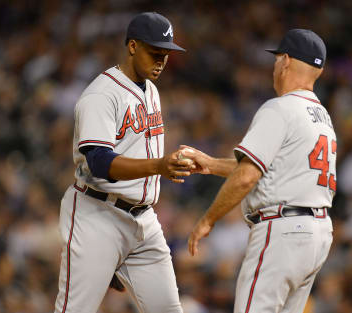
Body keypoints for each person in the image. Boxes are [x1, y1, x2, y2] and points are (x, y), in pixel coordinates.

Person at [185, 29, 336, 313]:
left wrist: (208, 220)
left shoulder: (280, 108)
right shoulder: (322, 116)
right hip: (316, 233)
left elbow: (248, 176)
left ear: (286, 61)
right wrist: (210, 164)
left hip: (282, 231)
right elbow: (266, 167)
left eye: (277, 59)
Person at [54, 12, 191, 313]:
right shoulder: (101, 95)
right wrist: (158, 166)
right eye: (155, 53)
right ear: (132, 46)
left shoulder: (150, 89)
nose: (161, 62)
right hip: (97, 215)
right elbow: (100, 162)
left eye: (166, 55)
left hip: (143, 221)